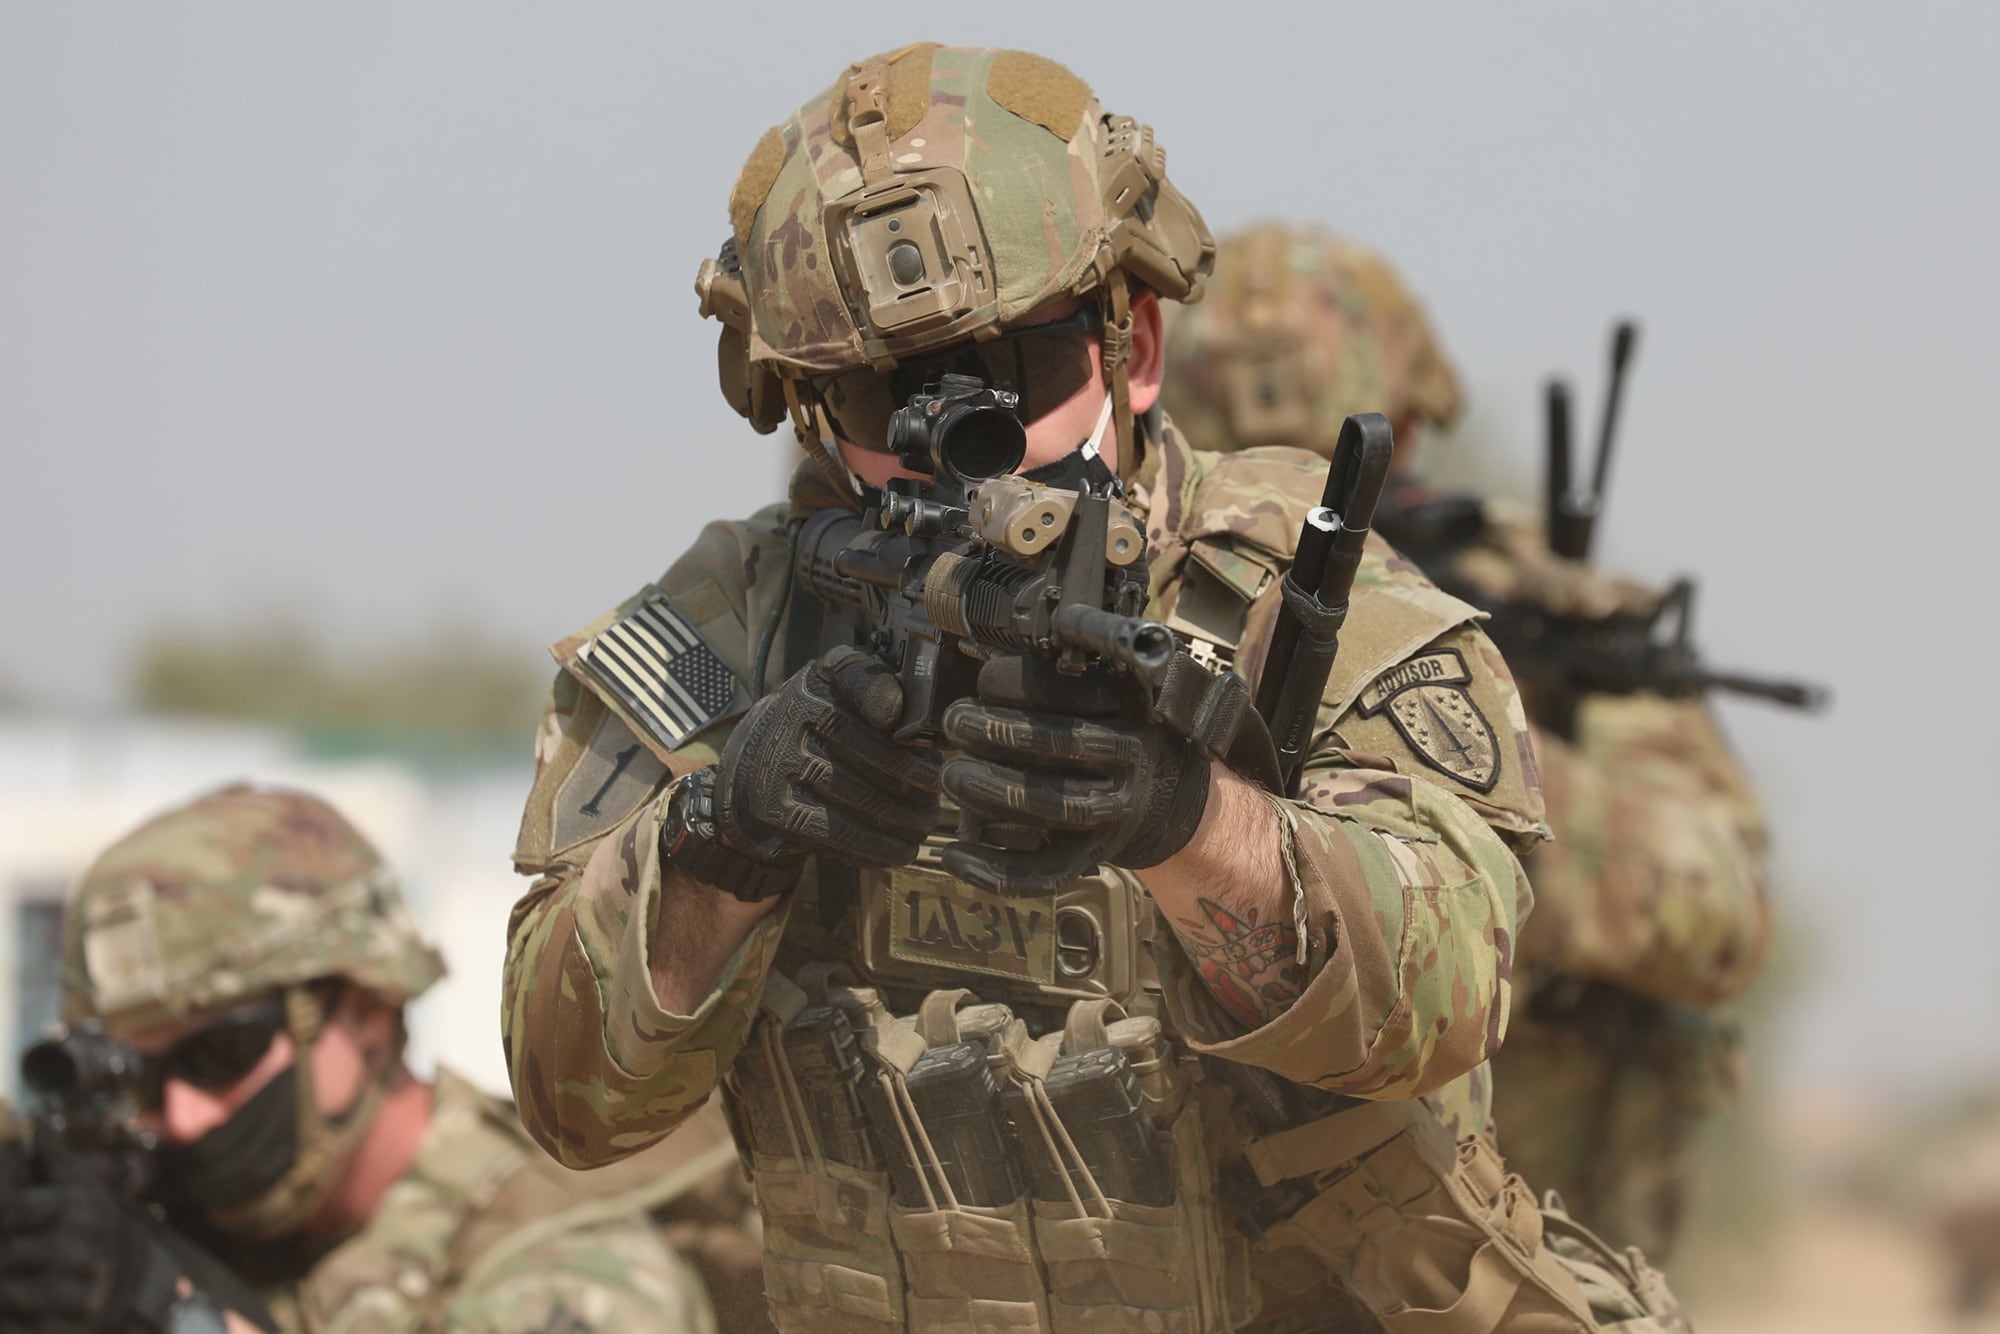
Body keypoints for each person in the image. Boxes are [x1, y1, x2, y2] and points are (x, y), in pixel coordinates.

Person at [502, 45, 1687, 1331]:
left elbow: (1443, 999)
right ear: (806, 413)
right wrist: (718, 837)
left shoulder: (1298, 594)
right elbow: (568, 1101)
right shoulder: (724, 632)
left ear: (1135, 348)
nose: (961, 450)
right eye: (881, 396)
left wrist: (1189, 824)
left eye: (1018, 371)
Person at [1162, 222, 1774, 1259]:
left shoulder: (1525, 597)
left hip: (1518, 1225)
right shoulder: (1147, 590)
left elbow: (1721, 912)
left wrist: (1468, 756)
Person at [7, 783, 721, 1332]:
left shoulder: (566, 1266)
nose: (182, 1117)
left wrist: (167, 1313)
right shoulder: (159, 1222)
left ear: (364, 1010)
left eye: (219, 1053)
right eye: (139, 1074)